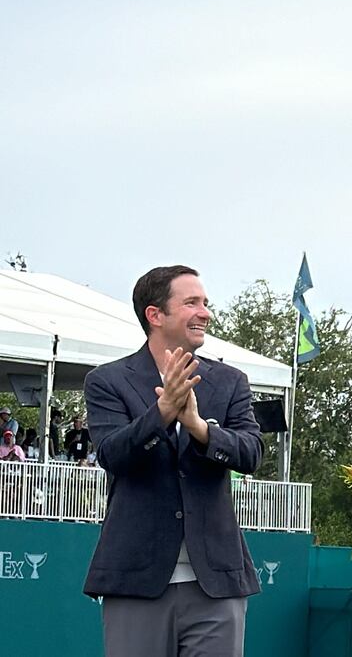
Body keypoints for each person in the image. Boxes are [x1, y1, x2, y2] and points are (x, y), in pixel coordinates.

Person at [83, 265, 263, 657]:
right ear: (155, 315)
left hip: (217, 583)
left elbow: (251, 453)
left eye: (205, 303)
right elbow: (112, 454)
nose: (205, 312)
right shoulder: (108, 381)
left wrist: (199, 428)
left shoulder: (230, 381)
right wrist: (162, 412)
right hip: (136, 581)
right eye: (192, 302)